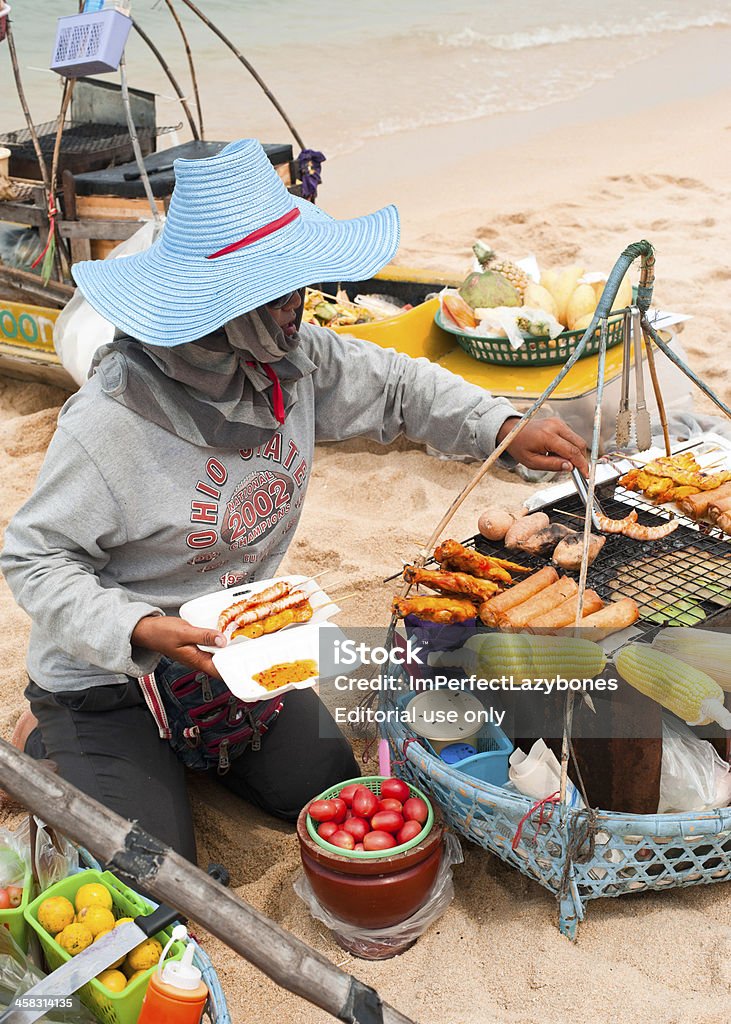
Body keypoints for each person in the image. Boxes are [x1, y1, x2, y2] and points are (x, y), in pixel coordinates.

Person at [0, 139, 588, 863]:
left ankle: (177, 754)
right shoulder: (110, 424)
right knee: (155, 875)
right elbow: (36, 558)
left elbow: (399, 387)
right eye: (280, 297)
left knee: (326, 790)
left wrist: (498, 422)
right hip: (114, 677)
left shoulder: (293, 360)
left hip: (236, 651)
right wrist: (144, 629)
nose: (298, 311)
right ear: (222, 311)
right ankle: (46, 731)